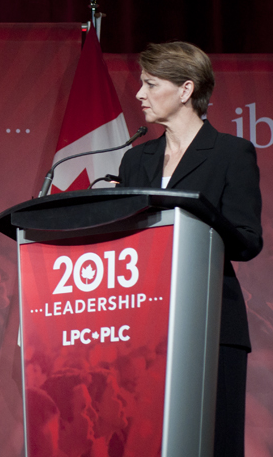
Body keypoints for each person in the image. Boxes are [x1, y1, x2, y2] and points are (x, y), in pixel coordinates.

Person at [118, 41, 263, 457]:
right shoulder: (136, 160)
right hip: (142, 324)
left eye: (149, 84)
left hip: (210, 321)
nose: (139, 94)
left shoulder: (232, 153)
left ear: (186, 90)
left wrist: (194, 213)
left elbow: (247, 239)